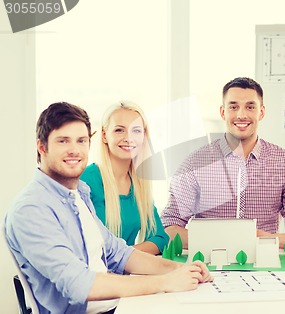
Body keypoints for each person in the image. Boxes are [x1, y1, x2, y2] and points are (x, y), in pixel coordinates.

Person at [4, 102, 212, 314]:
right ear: (42, 146)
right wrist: (165, 282)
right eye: (63, 141)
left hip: (117, 305)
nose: (74, 150)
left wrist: (180, 269)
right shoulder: (31, 209)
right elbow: (79, 284)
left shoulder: (77, 194)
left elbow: (118, 253)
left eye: (81, 140)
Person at [161, 77, 285, 248]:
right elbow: (169, 227)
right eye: (233, 107)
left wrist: (270, 240)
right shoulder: (195, 163)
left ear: (261, 112)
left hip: (265, 264)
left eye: (250, 107)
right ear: (223, 112)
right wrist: (215, 242)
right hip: (208, 266)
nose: (241, 115)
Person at [80, 101, 169, 255]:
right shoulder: (86, 180)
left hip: (125, 271)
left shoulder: (139, 184)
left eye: (136, 131)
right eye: (119, 130)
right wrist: (126, 256)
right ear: (104, 135)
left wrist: (124, 256)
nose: (128, 138)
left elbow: (160, 238)